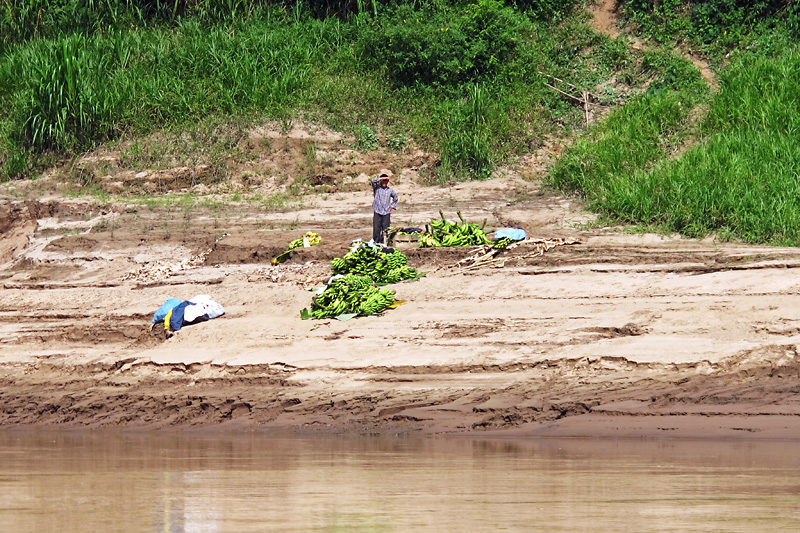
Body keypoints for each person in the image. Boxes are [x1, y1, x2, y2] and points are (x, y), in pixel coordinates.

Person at [370, 169, 398, 244]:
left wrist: (392, 206)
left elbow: (395, 198)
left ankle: (384, 243)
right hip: (377, 210)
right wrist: (380, 178)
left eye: (386, 181)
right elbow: (373, 181)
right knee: (376, 228)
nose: (384, 182)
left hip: (386, 212)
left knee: (385, 229)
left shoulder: (390, 190)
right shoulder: (377, 188)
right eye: (383, 181)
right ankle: (376, 242)